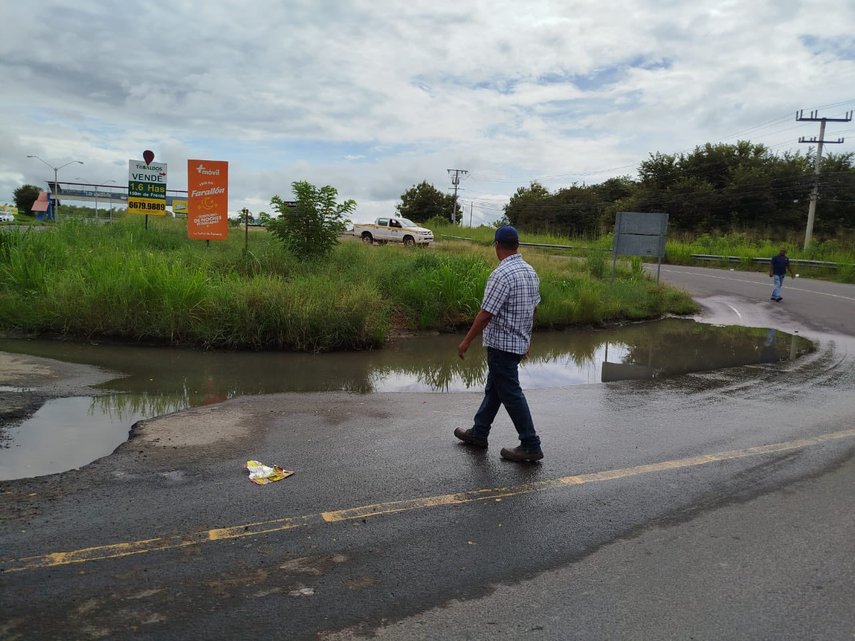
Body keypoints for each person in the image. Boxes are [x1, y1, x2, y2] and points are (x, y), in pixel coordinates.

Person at [455, 225, 543, 462]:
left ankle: (531, 444)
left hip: (502, 347)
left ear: (497, 246)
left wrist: (466, 341)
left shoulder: (501, 275)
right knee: (495, 390)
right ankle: (479, 433)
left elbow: (486, 313)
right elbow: (532, 310)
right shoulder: (530, 271)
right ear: (517, 245)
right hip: (516, 344)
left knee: (511, 394)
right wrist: (527, 341)